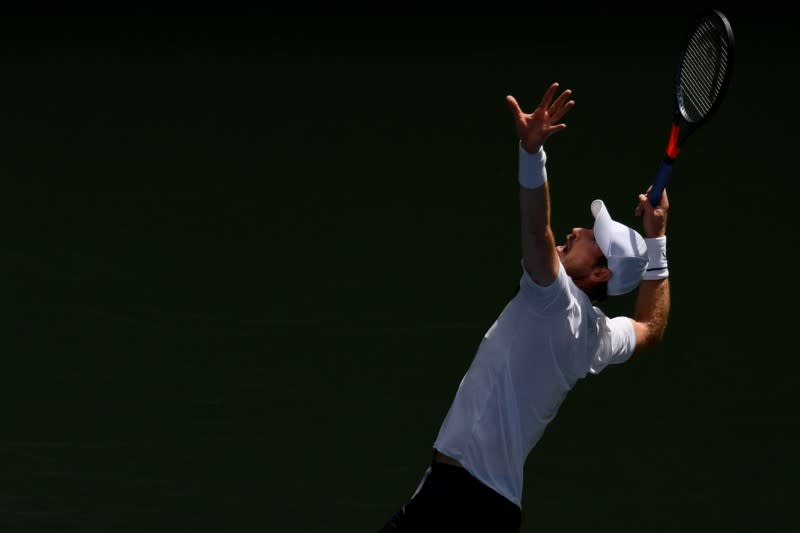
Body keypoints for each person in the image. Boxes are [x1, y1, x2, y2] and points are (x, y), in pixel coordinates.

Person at [377, 82, 671, 532]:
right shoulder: (596, 336)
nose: (577, 231)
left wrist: (532, 153)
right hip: (491, 506)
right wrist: (657, 242)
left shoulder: (554, 299)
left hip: (460, 498)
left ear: (600, 274)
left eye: (591, 237)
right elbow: (651, 327)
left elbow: (539, 233)